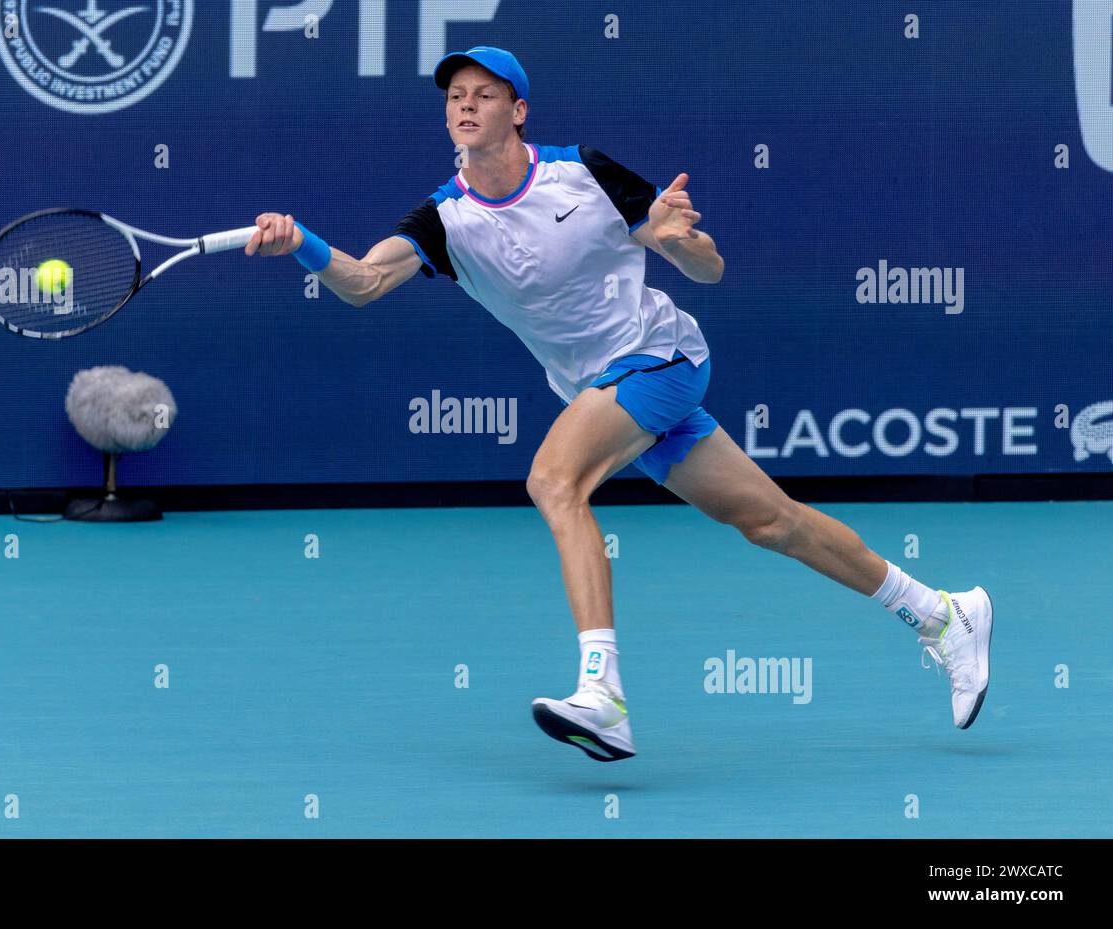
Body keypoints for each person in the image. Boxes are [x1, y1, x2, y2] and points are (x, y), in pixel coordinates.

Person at [242, 46, 993, 762]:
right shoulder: (445, 220)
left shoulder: (582, 172)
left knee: (552, 480)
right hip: (603, 391)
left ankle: (603, 692)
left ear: (519, 109)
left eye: (484, 96)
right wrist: (303, 241)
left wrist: (674, 237)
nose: (466, 107)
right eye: (455, 99)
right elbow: (365, 282)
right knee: (772, 520)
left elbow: (709, 268)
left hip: (662, 357)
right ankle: (941, 613)